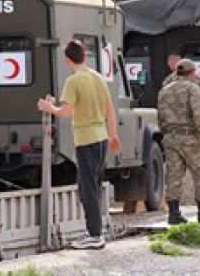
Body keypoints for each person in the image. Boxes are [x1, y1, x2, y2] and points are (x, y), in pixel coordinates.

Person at [38, 40, 121, 250]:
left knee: (87, 189)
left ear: (67, 60)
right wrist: (113, 136)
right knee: (92, 186)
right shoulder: (97, 78)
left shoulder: (74, 81)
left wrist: (50, 108)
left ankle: (94, 235)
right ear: (84, 56)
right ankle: (94, 231)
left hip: (86, 139)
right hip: (101, 137)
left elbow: (66, 112)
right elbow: (109, 109)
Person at [157, 59, 200, 225]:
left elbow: (160, 116)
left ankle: (174, 213)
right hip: (189, 137)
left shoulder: (164, 90)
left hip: (170, 137)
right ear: (192, 73)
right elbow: (198, 115)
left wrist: (166, 133)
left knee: (174, 174)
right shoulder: (193, 88)